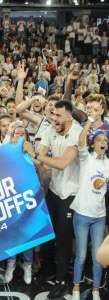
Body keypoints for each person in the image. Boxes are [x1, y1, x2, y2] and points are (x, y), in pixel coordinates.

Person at [23, 100, 82, 299]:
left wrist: (38, 156)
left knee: (64, 239)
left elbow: (63, 163)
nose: (54, 118)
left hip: (71, 194)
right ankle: (48, 269)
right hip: (55, 190)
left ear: (68, 116)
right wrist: (36, 155)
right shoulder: (50, 128)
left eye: (58, 115)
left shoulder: (77, 132)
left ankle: (62, 280)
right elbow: (39, 154)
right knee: (47, 232)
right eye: (53, 114)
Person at [69, 110, 109, 300]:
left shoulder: (108, 164)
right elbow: (81, 139)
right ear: (93, 144)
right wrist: (91, 120)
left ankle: (95, 290)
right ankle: (76, 287)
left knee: (97, 258)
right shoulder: (86, 159)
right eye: (99, 139)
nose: (103, 142)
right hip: (82, 215)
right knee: (81, 255)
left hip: (99, 217)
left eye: (105, 140)